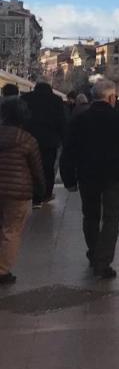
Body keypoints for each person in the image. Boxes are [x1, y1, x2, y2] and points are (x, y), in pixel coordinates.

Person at [59, 78, 119, 279]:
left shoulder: (80, 119)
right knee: (111, 218)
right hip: (114, 175)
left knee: (90, 216)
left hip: (87, 175)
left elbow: (68, 151)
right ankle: (103, 262)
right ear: (111, 97)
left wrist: (69, 179)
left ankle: (93, 254)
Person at [0, 97, 44, 284]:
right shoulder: (27, 140)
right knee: (11, 230)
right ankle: (2, 271)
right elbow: (37, 169)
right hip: (17, 192)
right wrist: (40, 190)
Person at [23, 82, 66, 207]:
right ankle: (47, 194)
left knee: (31, 166)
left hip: (29, 139)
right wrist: (63, 139)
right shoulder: (56, 100)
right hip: (49, 140)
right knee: (48, 168)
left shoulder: (25, 98)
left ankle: (35, 195)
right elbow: (61, 121)